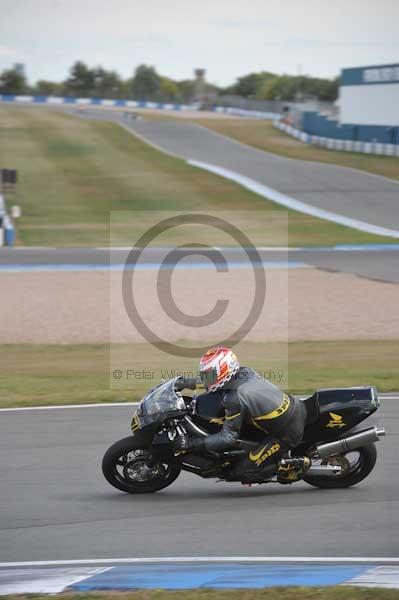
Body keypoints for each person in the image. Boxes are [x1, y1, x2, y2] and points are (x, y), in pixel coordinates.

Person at [173, 346, 310, 484]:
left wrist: (192, 444)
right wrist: (184, 382)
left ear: (224, 371)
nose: (207, 377)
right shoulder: (244, 371)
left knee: (241, 472)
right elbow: (212, 381)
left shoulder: (235, 399)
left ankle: (291, 466)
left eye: (210, 373)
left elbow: (228, 438)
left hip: (286, 431)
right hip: (290, 407)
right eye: (205, 373)